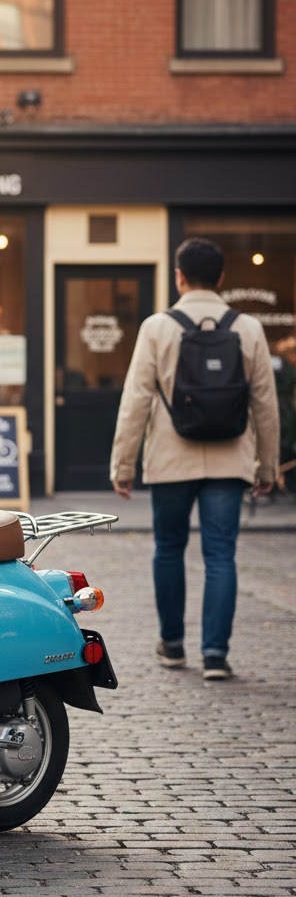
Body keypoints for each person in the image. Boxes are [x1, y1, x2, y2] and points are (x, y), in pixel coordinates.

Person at [109, 237, 280, 682]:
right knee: (221, 555)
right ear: (222, 279)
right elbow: (266, 403)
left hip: (170, 459)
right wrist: (267, 466)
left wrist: (123, 465)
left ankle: (172, 645)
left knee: (169, 549)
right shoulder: (249, 329)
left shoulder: (157, 327)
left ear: (179, 276)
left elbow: (136, 401)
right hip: (231, 459)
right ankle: (216, 655)